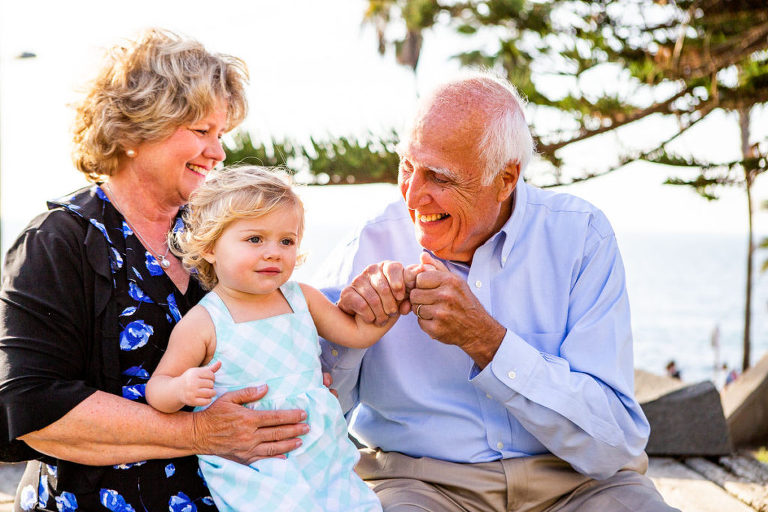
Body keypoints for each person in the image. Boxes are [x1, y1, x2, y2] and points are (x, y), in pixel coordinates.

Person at [316, 71, 679, 511]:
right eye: (407, 167)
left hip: (579, 486)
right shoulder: (368, 246)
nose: (413, 196)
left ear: (506, 179)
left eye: (440, 178)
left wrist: (487, 341)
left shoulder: (581, 237)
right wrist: (347, 336)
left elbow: (615, 443)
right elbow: (307, 417)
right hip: (420, 485)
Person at [0, 29, 310, 512]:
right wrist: (199, 433)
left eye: (221, 134)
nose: (219, 152)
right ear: (134, 130)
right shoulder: (56, 242)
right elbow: (37, 408)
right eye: (201, 131)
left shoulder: (217, 235)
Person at [145, 166, 392, 512]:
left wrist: (393, 307)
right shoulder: (204, 322)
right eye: (255, 239)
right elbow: (158, 389)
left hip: (322, 454)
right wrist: (183, 388)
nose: (274, 252)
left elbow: (356, 333)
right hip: (256, 466)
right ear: (212, 246)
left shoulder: (301, 298)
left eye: (286, 241)